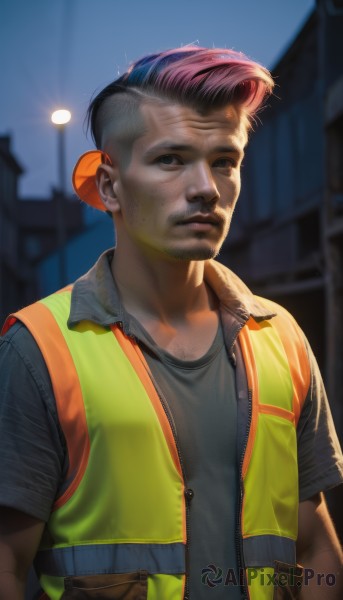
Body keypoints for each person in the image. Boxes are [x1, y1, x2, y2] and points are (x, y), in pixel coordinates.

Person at [0, 46, 343, 600]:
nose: (206, 187)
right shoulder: (38, 350)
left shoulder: (280, 338)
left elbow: (315, 548)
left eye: (225, 161)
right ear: (109, 186)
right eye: (171, 159)